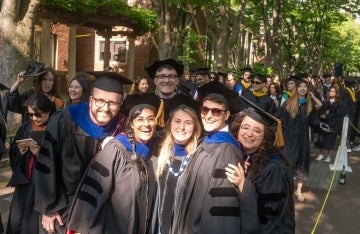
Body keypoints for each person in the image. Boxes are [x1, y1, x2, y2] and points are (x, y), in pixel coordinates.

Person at [33, 74, 132, 234]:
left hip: (100, 212)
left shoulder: (123, 128)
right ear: (91, 99)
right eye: (100, 101)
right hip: (63, 208)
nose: (106, 108)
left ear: (120, 104)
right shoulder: (65, 119)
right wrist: (49, 208)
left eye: (113, 103)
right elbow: (46, 163)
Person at [67, 93, 160, 234]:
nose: (146, 124)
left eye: (150, 119)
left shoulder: (157, 150)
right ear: (131, 124)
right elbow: (94, 190)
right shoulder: (116, 149)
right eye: (140, 119)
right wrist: (82, 228)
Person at [171, 81, 243, 234]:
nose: (209, 115)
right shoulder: (205, 141)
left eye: (216, 111)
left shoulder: (226, 151)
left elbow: (220, 208)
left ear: (227, 115)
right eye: (205, 110)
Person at [225, 107, 295, 233]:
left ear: (265, 137)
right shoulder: (245, 157)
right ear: (238, 129)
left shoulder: (274, 169)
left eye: (257, 131)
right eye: (245, 127)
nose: (249, 133)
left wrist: (243, 185)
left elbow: (269, 216)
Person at [7, 93, 56, 234]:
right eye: (31, 114)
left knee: (31, 224)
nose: (35, 118)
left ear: (48, 111)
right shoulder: (26, 126)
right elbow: (14, 152)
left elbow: (60, 157)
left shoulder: (55, 127)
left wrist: (39, 152)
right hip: (24, 179)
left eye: (39, 114)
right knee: (16, 221)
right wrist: (21, 150)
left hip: (41, 185)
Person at [156, 102, 202, 234]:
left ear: (195, 127)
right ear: (170, 123)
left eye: (188, 123)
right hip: (156, 226)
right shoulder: (157, 150)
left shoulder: (199, 157)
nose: (182, 127)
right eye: (177, 121)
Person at [279, 79, 324, 202]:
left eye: (305, 87)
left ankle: (298, 190)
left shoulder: (308, 104)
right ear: (296, 88)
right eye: (300, 86)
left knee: (302, 164)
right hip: (289, 139)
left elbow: (316, 113)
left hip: (303, 139)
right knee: (289, 162)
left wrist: (320, 125)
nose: (303, 88)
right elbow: (280, 120)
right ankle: (287, 188)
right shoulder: (288, 103)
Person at [315, 86, 345, 161]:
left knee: (330, 140)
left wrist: (327, 115)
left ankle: (328, 156)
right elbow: (321, 111)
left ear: (336, 93)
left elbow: (339, 114)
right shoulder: (325, 101)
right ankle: (321, 154)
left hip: (333, 124)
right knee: (321, 139)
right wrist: (321, 115)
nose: (331, 93)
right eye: (330, 91)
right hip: (323, 123)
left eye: (333, 91)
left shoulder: (339, 102)